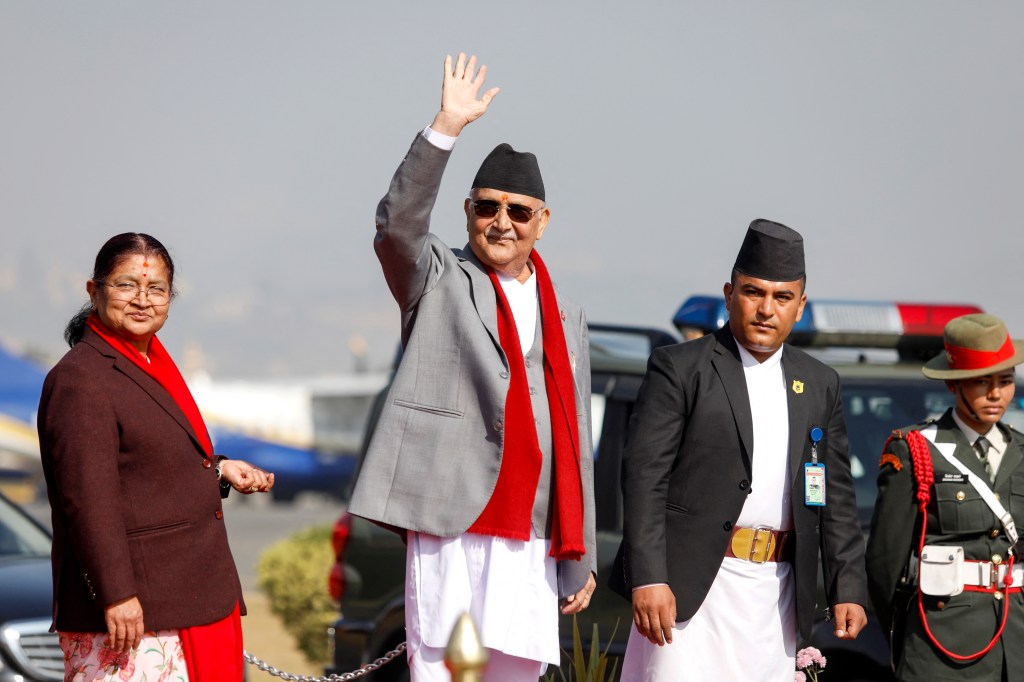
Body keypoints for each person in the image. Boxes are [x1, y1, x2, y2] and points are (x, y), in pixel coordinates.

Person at [347, 53, 596, 682]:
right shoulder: (437, 278)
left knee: (516, 675)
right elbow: (396, 227)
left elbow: (576, 439)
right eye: (487, 207)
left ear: (543, 222)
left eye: (518, 211)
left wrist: (581, 550)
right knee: (442, 672)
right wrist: (446, 128)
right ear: (467, 211)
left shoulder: (566, 312)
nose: (501, 222)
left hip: (531, 532)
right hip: (450, 521)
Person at [609, 220, 869, 680]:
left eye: (782, 297)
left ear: (800, 306)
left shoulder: (819, 382)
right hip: (688, 595)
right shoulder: (681, 368)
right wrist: (648, 577)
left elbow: (836, 495)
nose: (767, 309)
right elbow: (645, 479)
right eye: (754, 292)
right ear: (730, 294)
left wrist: (847, 585)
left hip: (776, 597)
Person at [38, 233, 274, 682]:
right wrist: (116, 594)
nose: (142, 300)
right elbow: (87, 499)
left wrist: (218, 469)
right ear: (94, 291)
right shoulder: (82, 379)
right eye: (126, 285)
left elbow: (145, 463)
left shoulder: (150, 364)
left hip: (187, 598)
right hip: (135, 614)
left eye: (156, 289)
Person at [866, 313, 1024, 681]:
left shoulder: (1022, 450)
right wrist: (906, 632)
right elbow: (884, 563)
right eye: (981, 381)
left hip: (1016, 645)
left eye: (1005, 381)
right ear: (953, 384)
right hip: (941, 645)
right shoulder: (916, 449)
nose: (996, 394)